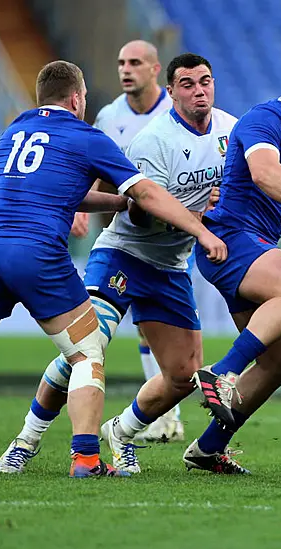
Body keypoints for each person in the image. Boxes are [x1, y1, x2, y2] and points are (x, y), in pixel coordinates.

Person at [0, 53, 236, 475]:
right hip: (122, 254)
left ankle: (120, 432)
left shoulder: (230, 130)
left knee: (183, 375)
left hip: (171, 265)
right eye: (188, 83)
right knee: (88, 348)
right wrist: (201, 225)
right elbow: (142, 208)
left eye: (206, 81)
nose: (199, 90)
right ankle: (29, 440)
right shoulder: (147, 139)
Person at [184, 62, 281, 474]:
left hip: (254, 248)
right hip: (231, 240)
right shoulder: (266, 118)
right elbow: (264, 173)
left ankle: (205, 448)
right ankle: (222, 372)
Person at [78, 39, 183, 442]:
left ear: (156, 69)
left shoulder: (174, 114)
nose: (126, 69)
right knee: (100, 331)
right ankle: (162, 417)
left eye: (135, 62)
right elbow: (92, 169)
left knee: (151, 328)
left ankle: (164, 416)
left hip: (169, 241)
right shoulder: (109, 116)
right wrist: (76, 210)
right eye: (121, 62)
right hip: (122, 236)